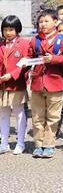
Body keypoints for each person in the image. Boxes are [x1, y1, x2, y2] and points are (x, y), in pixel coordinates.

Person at [26, 9, 63, 158]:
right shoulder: (35, 40)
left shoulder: (62, 40)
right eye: (41, 21)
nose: (43, 24)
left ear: (55, 22)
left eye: (46, 21)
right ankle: (38, 144)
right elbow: (28, 56)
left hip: (55, 82)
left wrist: (52, 59)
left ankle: (49, 144)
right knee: (37, 116)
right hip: (37, 82)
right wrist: (25, 65)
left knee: (53, 116)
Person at [0, 15, 29, 155]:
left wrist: (12, 74)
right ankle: (4, 142)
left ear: (17, 29)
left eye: (11, 29)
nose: (8, 32)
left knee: (19, 113)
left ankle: (20, 142)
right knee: (3, 114)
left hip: (17, 84)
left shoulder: (24, 44)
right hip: (2, 84)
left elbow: (25, 63)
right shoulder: (1, 44)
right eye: (5, 29)